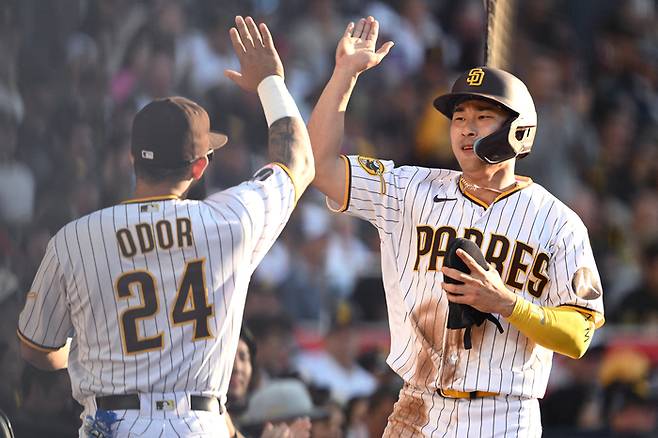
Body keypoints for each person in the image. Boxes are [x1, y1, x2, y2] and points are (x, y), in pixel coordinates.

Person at [17, 15, 314, 438]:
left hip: (112, 423)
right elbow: (298, 161)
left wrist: (83, 351)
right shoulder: (232, 220)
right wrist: (271, 81)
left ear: (131, 159)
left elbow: (35, 348)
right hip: (198, 423)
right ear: (199, 166)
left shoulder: (74, 238)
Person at [308, 16, 604, 437]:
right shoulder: (411, 188)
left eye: (483, 116)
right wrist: (344, 75)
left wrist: (506, 302)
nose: (466, 127)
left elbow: (579, 336)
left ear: (518, 130)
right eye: (458, 116)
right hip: (418, 404)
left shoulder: (559, 223)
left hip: (504, 414)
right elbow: (318, 167)